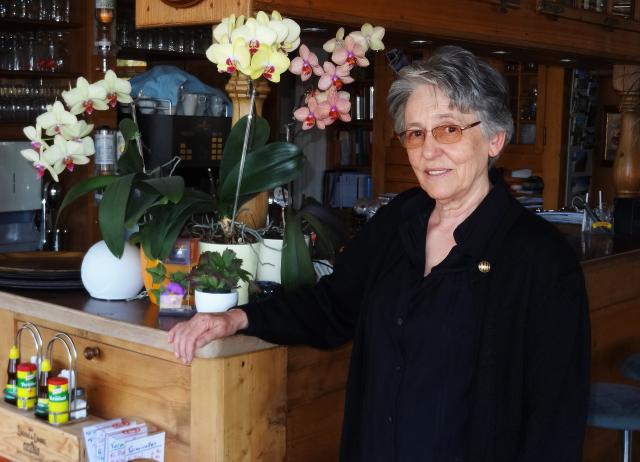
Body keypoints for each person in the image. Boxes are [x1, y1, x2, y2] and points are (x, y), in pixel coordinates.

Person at [168, 45, 591, 461]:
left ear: (495, 139)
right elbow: (333, 307)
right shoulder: (399, 221)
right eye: (415, 133)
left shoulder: (541, 259)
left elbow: (555, 420)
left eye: (448, 129)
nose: (429, 151)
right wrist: (238, 318)